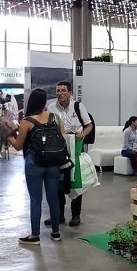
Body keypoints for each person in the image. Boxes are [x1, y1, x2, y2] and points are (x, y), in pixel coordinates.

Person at [7, 88, 62, 245]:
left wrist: (10, 136)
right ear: (44, 102)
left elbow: (18, 146)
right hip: (54, 162)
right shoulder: (54, 118)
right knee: (53, 199)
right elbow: (62, 138)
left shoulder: (26, 121)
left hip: (34, 163)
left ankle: (35, 236)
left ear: (31, 102)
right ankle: (56, 232)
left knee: (35, 199)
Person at [45, 81, 92, 227]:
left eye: (63, 90)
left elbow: (89, 125)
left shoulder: (78, 106)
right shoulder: (51, 107)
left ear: (69, 93)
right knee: (57, 181)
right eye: (58, 91)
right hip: (57, 148)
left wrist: (82, 134)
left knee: (75, 181)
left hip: (76, 148)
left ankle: (76, 215)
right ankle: (58, 215)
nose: (60, 93)